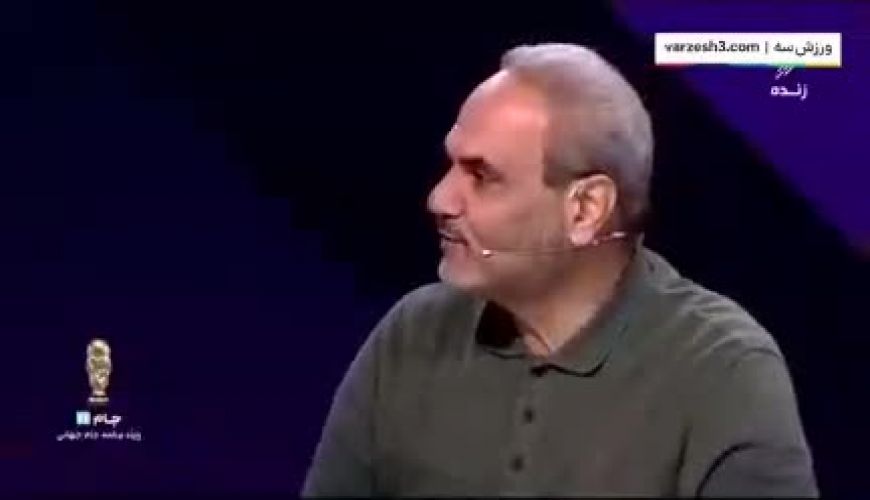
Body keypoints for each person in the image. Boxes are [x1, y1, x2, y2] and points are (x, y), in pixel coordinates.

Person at [301, 42, 817, 497]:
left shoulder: (723, 369)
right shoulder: (412, 335)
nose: (439, 198)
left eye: (482, 175)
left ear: (585, 209)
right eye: (451, 165)